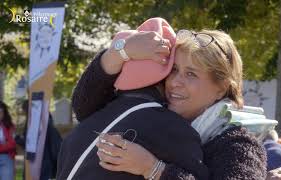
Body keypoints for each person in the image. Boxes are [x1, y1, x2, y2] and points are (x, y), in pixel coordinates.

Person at [71, 25, 267, 179]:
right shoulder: (154, 117)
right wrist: (119, 51)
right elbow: (84, 106)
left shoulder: (238, 144)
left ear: (221, 88)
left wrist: (153, 168)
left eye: (191, 74)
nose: (175, 82)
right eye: (173, 69)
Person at [57, 18, 208, 180]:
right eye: (175, 70)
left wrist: (118, 52)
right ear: (166, 74)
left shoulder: (77, 133)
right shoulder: (176, 131)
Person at [15, 100, 62, 180]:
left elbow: (30, 141)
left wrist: (18, 138)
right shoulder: (44, 120)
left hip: (40, 161)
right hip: (43, 161)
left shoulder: (37, 122)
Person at [0, 101, 16, 180]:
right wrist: (4, 145)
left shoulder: (9, 126)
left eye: (0, 112)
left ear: (4, 113)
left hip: (6, 158)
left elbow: (12, 144)